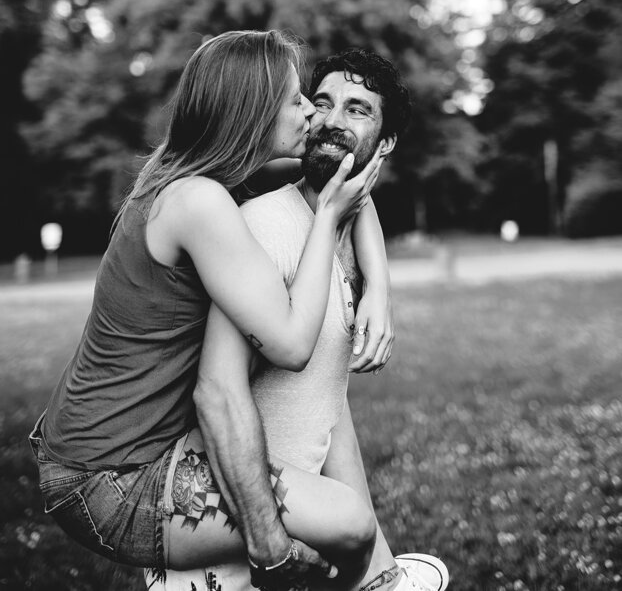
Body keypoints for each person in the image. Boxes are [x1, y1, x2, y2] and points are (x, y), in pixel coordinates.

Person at [28, 30, 388, 587]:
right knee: (349, 526)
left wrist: (378, 287)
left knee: (334, 509)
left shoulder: (193, 176)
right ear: (254, 113)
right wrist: (326, 220)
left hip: (103, 445)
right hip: (108, 475)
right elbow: (291, 344)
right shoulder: (200, 203)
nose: (311, 117)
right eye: (298, 100)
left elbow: (338, 185)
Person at [153, 50, 449, 591]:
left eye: (357, 109)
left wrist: (378, 284)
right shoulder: (263, 228)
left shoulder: (344, 232)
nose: (333, 120)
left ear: (384, 145)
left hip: (300, 514)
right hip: (233, 527)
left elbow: (329, 409)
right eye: (322, 102)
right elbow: (217, 391)